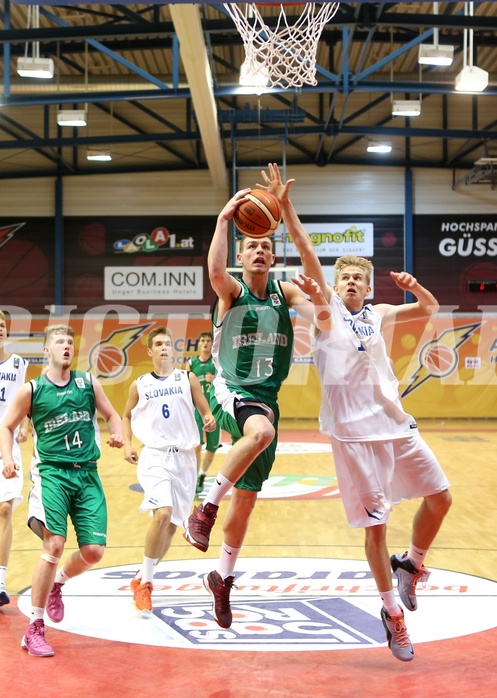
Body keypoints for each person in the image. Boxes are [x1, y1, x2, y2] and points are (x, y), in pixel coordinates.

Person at [261, 162, 452, 662]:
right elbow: (303, 250)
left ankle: (411, 564)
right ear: (333, 283)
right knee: (375, 527)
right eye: (342, 275)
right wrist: (285, 209)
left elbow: (430, 308)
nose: (349, 282)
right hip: (352, 434)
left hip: (396, 424)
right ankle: (391, 613)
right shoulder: (323, 315)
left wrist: (414, 287)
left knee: (442, 498)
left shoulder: (380, 313)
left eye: (356, 277)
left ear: (368, 286)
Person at [183, 189, 332, 629]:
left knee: (246, 501)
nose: (260, 252)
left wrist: (317, 297)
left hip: (266, 401)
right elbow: (213, 269)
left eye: (267, 246)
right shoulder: (231, 291)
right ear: (242, 256)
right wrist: (224, 220)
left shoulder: (284, 293)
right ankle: (204, 509)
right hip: (230, 388)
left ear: (273, 254)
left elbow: (323, 319)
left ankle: (222, 578)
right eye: (253, 247)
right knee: (261, 433)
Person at [0, 324, 124, 657]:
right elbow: (8, 426)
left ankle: (59, 583)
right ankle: (34, 629)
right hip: (52, 474)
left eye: (70, 342)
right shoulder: (32, 389)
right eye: (59, 342)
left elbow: (112, 415)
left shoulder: (87, 382)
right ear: (46, 350)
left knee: (95, 551)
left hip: (88, 475)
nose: (66, 346)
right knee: (54, 542)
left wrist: (118, 433)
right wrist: (8, 457)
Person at [122, 326, 216, 614]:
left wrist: (209, 417)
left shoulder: (187, 379)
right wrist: (127, 443)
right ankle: (147, 584)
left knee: (173, 526)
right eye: (159, 344)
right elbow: (125, 415)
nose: (164, 348)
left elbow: (204, 408)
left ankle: (141, 576)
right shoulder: (139, 384)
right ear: (150, 351)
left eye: (168, 344)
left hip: (185, 459)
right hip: (155, 457)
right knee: (162, 513)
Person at [0, 310, 29, 607]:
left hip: (8, 450)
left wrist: (25, 425)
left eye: (3, 325)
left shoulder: (19, 364)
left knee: (5, 510)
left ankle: (0, 581)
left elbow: (24, 401)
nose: (0, 329)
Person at [188, 331, 221, 495]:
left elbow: (226, 382)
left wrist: (214, 380)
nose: (206, 343)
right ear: (199, 344)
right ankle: (194, 479)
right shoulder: (191, 363)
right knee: (196, 447)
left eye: (209, 340)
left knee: (212, 448)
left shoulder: (217, 363)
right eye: (203, 340)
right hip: (196, 411)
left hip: (214, 410)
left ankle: (202, 475)